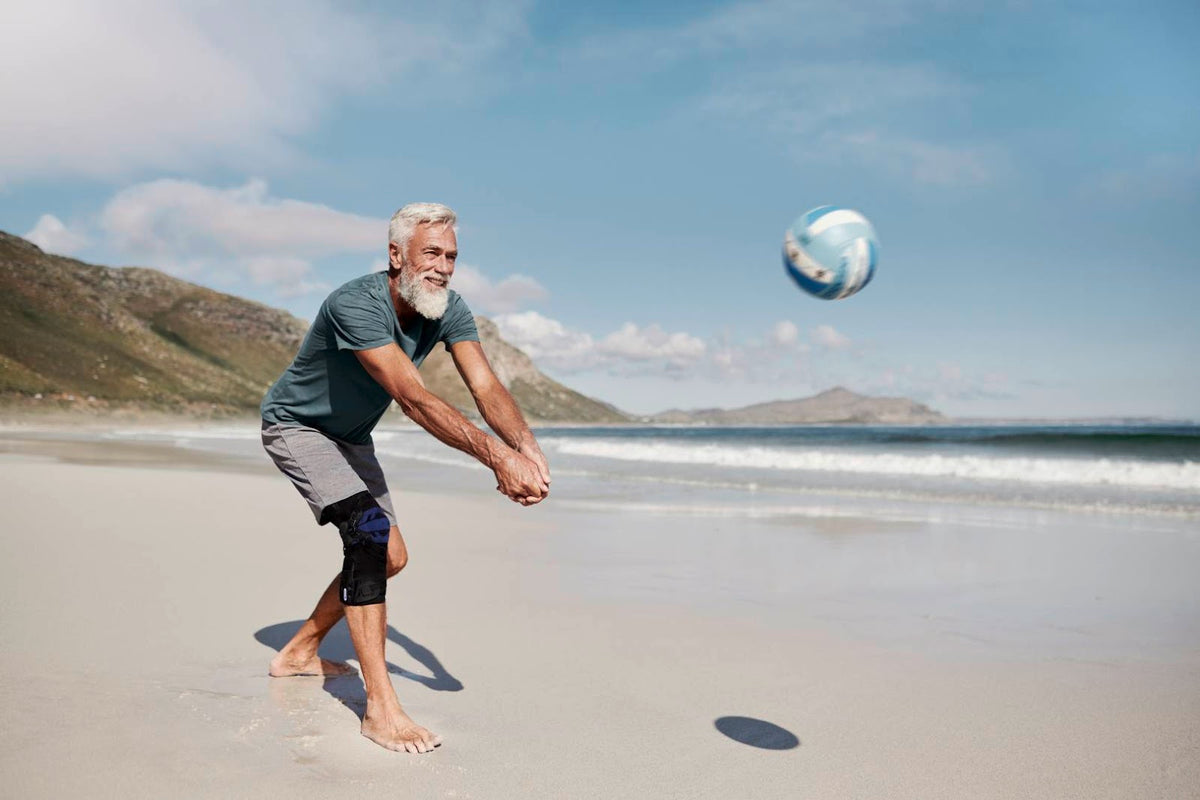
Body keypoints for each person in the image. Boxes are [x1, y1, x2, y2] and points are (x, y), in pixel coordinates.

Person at [259, 202, 550, 754]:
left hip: (351, 439)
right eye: (431, 253)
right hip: (296, 427)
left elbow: (485, 388)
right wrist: (497, 460)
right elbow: (413, 398)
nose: (443, 266)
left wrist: (527, 450)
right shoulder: (356, 303)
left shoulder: (450, 309)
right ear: (397, 255)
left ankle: (299, 651)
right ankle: (381, 709)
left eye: (452, 256)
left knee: (390, 555)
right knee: (367, 537)